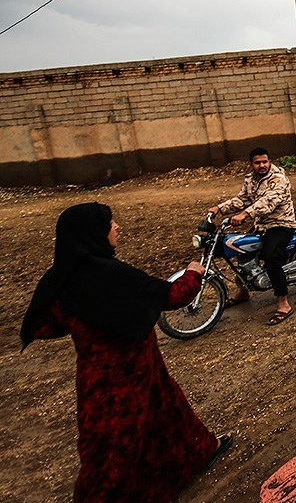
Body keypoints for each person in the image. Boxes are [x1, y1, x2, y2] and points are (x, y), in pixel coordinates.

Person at [20, 202, 231, 503]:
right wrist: (193, 273)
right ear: (94, 232)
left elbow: (46, 326)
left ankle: (199, 453)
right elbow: (173, 296)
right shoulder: (110, 276)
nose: (117, 227)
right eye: (110, 223)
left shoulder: (61, 281)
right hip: (118, 379)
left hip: (120, 368)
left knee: (168, 414)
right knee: (113, 448)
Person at [208, 147, 296, 325]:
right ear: (251, 165)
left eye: (265, 161)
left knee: (272, 258)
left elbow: (268, 201)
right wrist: (220, 208)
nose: (262, 165)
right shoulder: (251, 180)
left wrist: (245, 214)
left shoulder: (279, 179)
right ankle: (243, 291)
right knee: (239, 249)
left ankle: (283, 304)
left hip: (280, 224)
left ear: (269, 162)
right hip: (261, 225)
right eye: (257, 163)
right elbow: (242, 199)